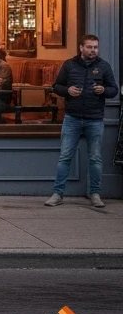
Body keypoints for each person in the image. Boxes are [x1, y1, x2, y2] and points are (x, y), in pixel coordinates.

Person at [45, 33, 119, 209]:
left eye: (95, 47)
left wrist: (103, 90)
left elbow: (113, 89)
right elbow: (56, 86)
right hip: (72, 118)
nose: (93, 50)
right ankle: (58, 194)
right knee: (65, 157)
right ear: (81, 48)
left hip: (95, 119)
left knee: (95, 158)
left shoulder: (103, 66)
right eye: (89, 47)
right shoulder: (70, 65)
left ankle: (95, 194)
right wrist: (67, 90)